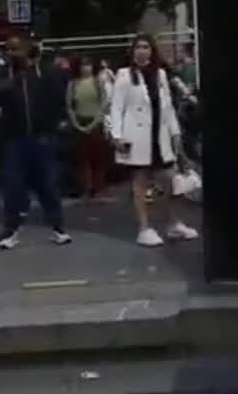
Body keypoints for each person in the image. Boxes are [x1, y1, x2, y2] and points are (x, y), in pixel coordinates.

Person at [108, 35, 199, 247]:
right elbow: (115, 108)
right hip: (136, 138)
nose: (142, 51)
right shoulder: (124, 75)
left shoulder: (160, 74)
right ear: (132, 51)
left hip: (160, 137)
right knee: (140, 184)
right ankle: (144, 228)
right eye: (138, 47)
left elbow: (167, 108)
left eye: (146, 47)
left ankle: (173, 223)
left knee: (172, 182)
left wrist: (175, 132)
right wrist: (116, 135)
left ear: (152, 50)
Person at [0, 35, 70, 249]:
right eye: (9, 50)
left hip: (42, 137)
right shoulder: (3, 75)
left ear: (27, 50)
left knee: (48, 184)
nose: (12, 53)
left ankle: (58, 228)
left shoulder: (44, 73)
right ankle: (11, 231)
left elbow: (58, 100)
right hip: (14, 139)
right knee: (13, 186)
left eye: (17, 49)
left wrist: (55, 128)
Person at [67, 56, 111, 200]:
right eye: (83, 65)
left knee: (98, 157)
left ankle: (98, 187)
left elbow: (104, 103)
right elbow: (69, 106)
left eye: (89, 65)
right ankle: (87, 187)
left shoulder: (98, 81)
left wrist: (94, 122)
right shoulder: (73, 84)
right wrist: (76, 124)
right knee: (82, 159)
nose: (86, 68)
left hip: (95, 122)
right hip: (80, 121)